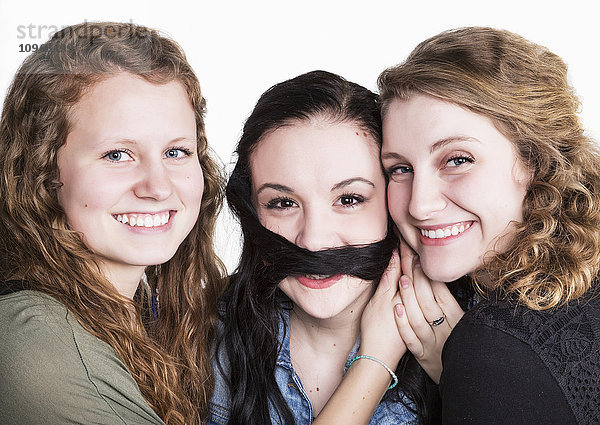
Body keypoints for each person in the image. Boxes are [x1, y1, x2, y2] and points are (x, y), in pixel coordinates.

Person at [0, 22, 225, 424]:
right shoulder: (40, 342)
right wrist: (375, 359)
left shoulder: (141, 311)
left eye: (177, 152)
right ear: (43, 172)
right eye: (117, 155)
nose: (157, 187)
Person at [378, 26, 600, 424]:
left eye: (457, 159)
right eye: (400, 169)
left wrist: (471, 374)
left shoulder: (493, 350)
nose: (419, 204)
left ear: (537, 160)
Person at [207, 70, 418, 425]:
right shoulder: (195, 339)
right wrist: (376, 362)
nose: (314, 241)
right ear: (251, 212)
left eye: (349, 199)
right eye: (282, 203)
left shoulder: (465, 337)